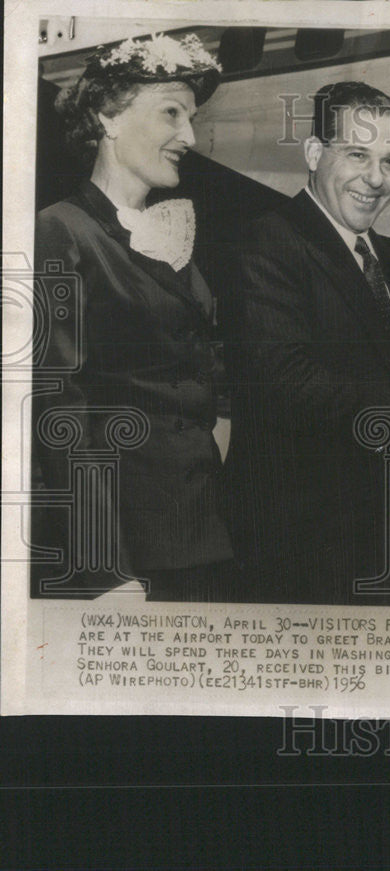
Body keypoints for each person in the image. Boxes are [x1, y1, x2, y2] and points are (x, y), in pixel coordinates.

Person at [225, 81, 390, 604]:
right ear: (313, 153)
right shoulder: (270, 239)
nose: (376, 179)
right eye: (357, 154)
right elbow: (280, 382)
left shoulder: (389, 259)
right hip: (298, 552)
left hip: (383, 546)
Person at [32, 33, 233, 601]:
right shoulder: (61, 230)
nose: (189, 137)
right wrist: (105, 568)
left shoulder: (175, 236)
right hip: (123, 551)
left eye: (192, 118)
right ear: (108, 116)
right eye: (171, 112)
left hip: (197, 531)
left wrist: (220, 422)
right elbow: (59, 410)